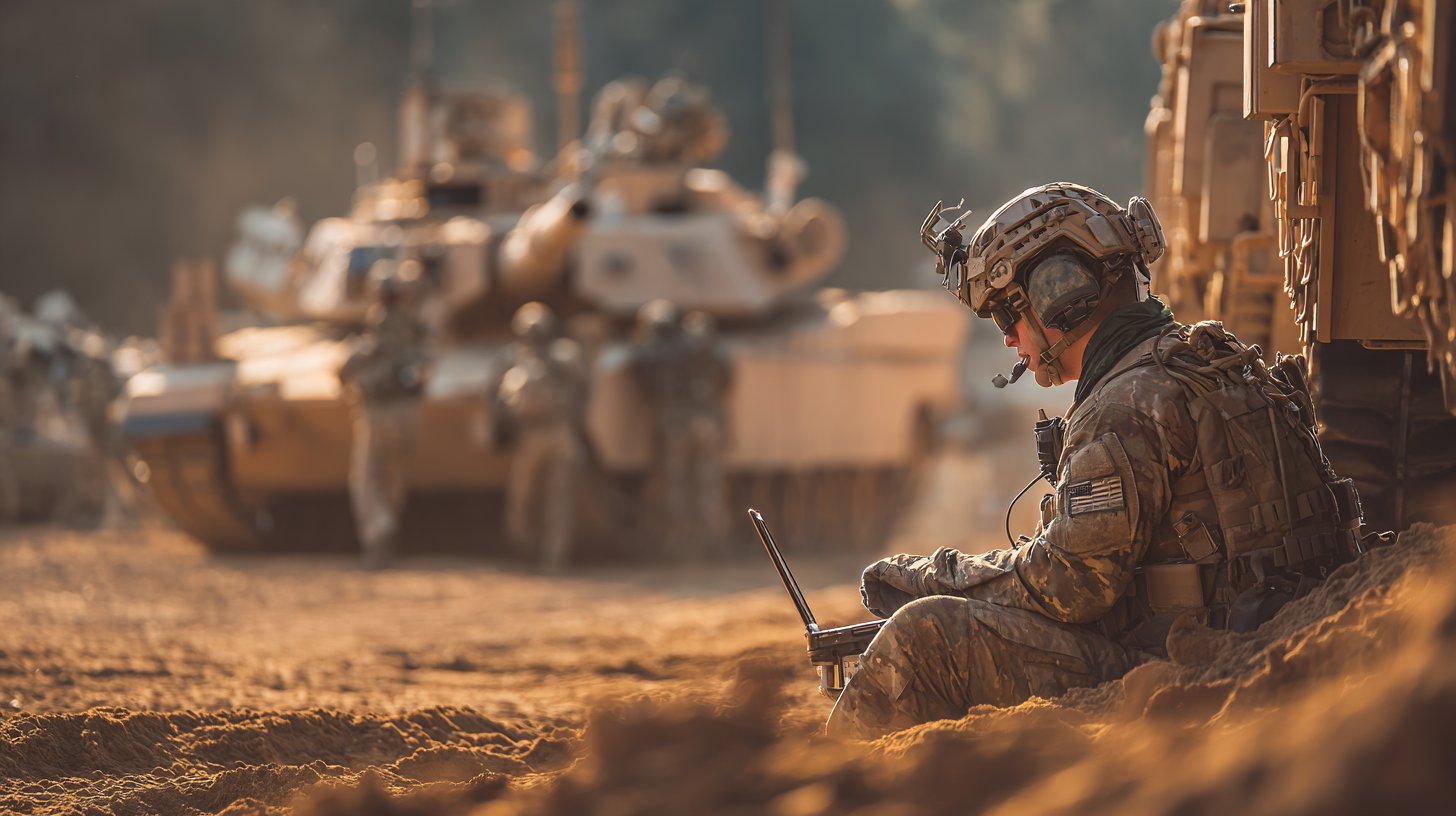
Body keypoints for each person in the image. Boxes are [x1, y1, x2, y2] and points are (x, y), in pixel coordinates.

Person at [826, 183, 1366, 738]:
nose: (1010, 340)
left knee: (924, 638)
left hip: (1196, 668)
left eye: (1008, 317)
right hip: (1265, 638)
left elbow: (1070, 584)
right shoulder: (1212, 361)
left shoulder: (1126, 404)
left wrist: (934, 578)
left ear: (1060, 292)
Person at [338, 262, 429, 569]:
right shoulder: (416, 332)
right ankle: (389, 526)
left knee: (366, 480)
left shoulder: (375, 330)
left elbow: (345, 369)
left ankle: (379, 531)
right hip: (407, 415)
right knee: (394, 476)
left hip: (376, 414)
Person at [493, 302, 588, 573]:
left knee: (553, 497)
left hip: (551, 432)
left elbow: (583, 386)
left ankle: (550, 555)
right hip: (539, 433)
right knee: (531, 497)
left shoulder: (560, 356)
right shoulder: (518, 358)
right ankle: (533, 550)